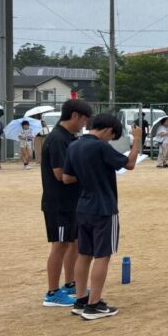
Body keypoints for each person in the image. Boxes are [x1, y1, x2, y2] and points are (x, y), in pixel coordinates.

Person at [62, 113, 142, 320]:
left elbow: (67, 178)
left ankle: (81, 300)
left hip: (83, 206)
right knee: (102, 255)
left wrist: (88, 174)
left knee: (84, 254)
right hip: (104, 207)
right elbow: (130, 164)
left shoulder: (74, 146)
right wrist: (137, 140)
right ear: (107, 130)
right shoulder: (100, 147)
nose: (110, 140)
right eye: (111, 136)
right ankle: (94, 305)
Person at [40, 98, 93, 308]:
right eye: (84, 120)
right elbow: (60, 174)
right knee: (60, 244)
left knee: (74, 242)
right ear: (74, 116)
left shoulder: (69, 137)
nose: (85, 124)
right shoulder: (57, 139)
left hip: (72, 202)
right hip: (59, 204)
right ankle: (52, 293)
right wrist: (89, 174)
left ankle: (70, 283)